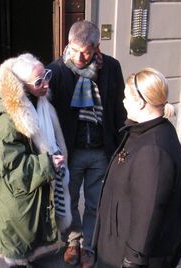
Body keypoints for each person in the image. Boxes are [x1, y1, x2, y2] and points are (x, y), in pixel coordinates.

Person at [47, 20, 127, 267]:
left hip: (101, 150)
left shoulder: (111, 68)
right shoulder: (55, 71)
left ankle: (89, 246)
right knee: (68, 202)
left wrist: (122, 142)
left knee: (96, 203)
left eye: (86, 52)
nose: (80, 57)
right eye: (74, 49)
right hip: (70, 152)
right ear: (67, 44)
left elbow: (119, 108)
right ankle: (73, 241)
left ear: (96, 48)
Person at [93, 68, 181, 268]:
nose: (123, 101)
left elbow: (149, 211)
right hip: (115, 242)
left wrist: (132, 261)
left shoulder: (153, 150)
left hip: (126, 256)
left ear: (140, 102)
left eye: (126, 97)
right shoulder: (144, 130)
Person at [0, 53, 71, 268]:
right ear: (21, 86)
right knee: (16, 250)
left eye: (46, 76)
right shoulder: (8, 123)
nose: (46, 84)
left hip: (27, 201)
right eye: (39, 81)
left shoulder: (40, 104)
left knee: (27, 246)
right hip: (15, 204)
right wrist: (48, 164)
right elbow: (14, 171)